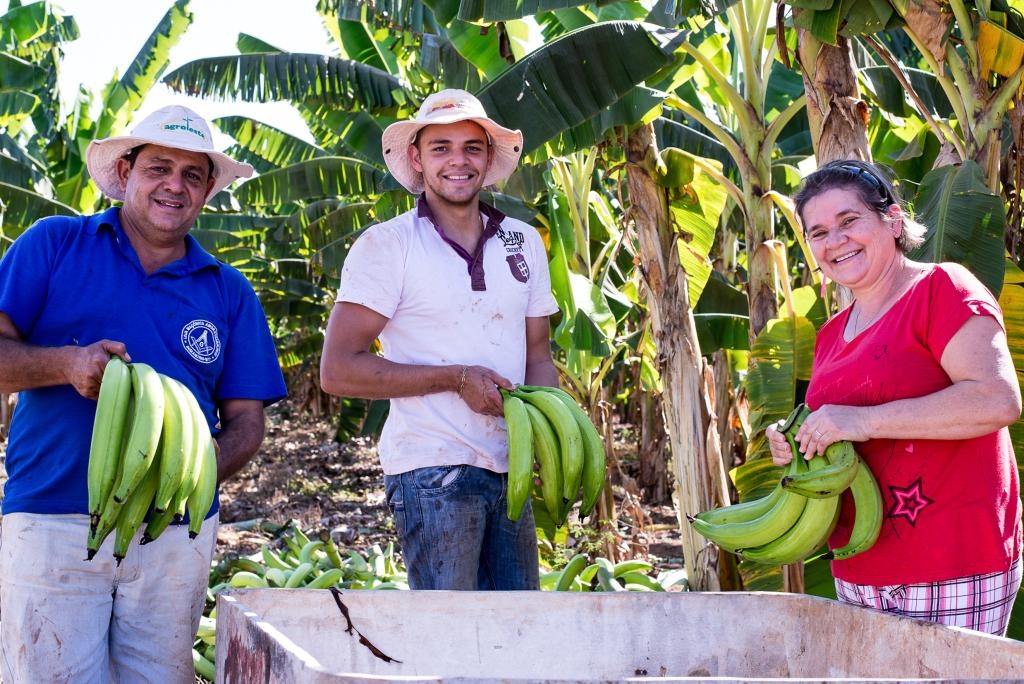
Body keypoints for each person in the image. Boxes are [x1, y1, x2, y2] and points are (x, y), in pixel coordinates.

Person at [0, 104, 287, 682]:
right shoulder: (54, 244)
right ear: (127, 171)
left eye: (192, 175)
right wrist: (66, 364)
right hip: (52, 518)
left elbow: (247, 424)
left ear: (207, 191)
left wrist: (179, 485)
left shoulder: (228, 292)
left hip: (172, 533)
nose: (173, 186)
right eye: (159, 167)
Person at [766, 159, 1022, 635]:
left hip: (952, 562)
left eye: (849, 221)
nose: (835, 241)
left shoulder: (941, 288)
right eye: (818, 232)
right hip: (860, 566)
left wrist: (860, 422)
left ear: (893, 220)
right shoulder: (830, 335)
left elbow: (997, 400)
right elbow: (837, 428)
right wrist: (795, 441)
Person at [319, 89, 559, 590]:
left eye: (472, 147)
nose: (458, 160)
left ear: (489, 158)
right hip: (432, 471)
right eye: (441, 147)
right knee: (450, 639)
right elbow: (338, 369)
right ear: (417, 159)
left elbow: (538, 355)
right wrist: (456, 378)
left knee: (518, 633)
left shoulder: (523, 241)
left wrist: (546, 440)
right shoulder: (388, 245)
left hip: (508, 465)